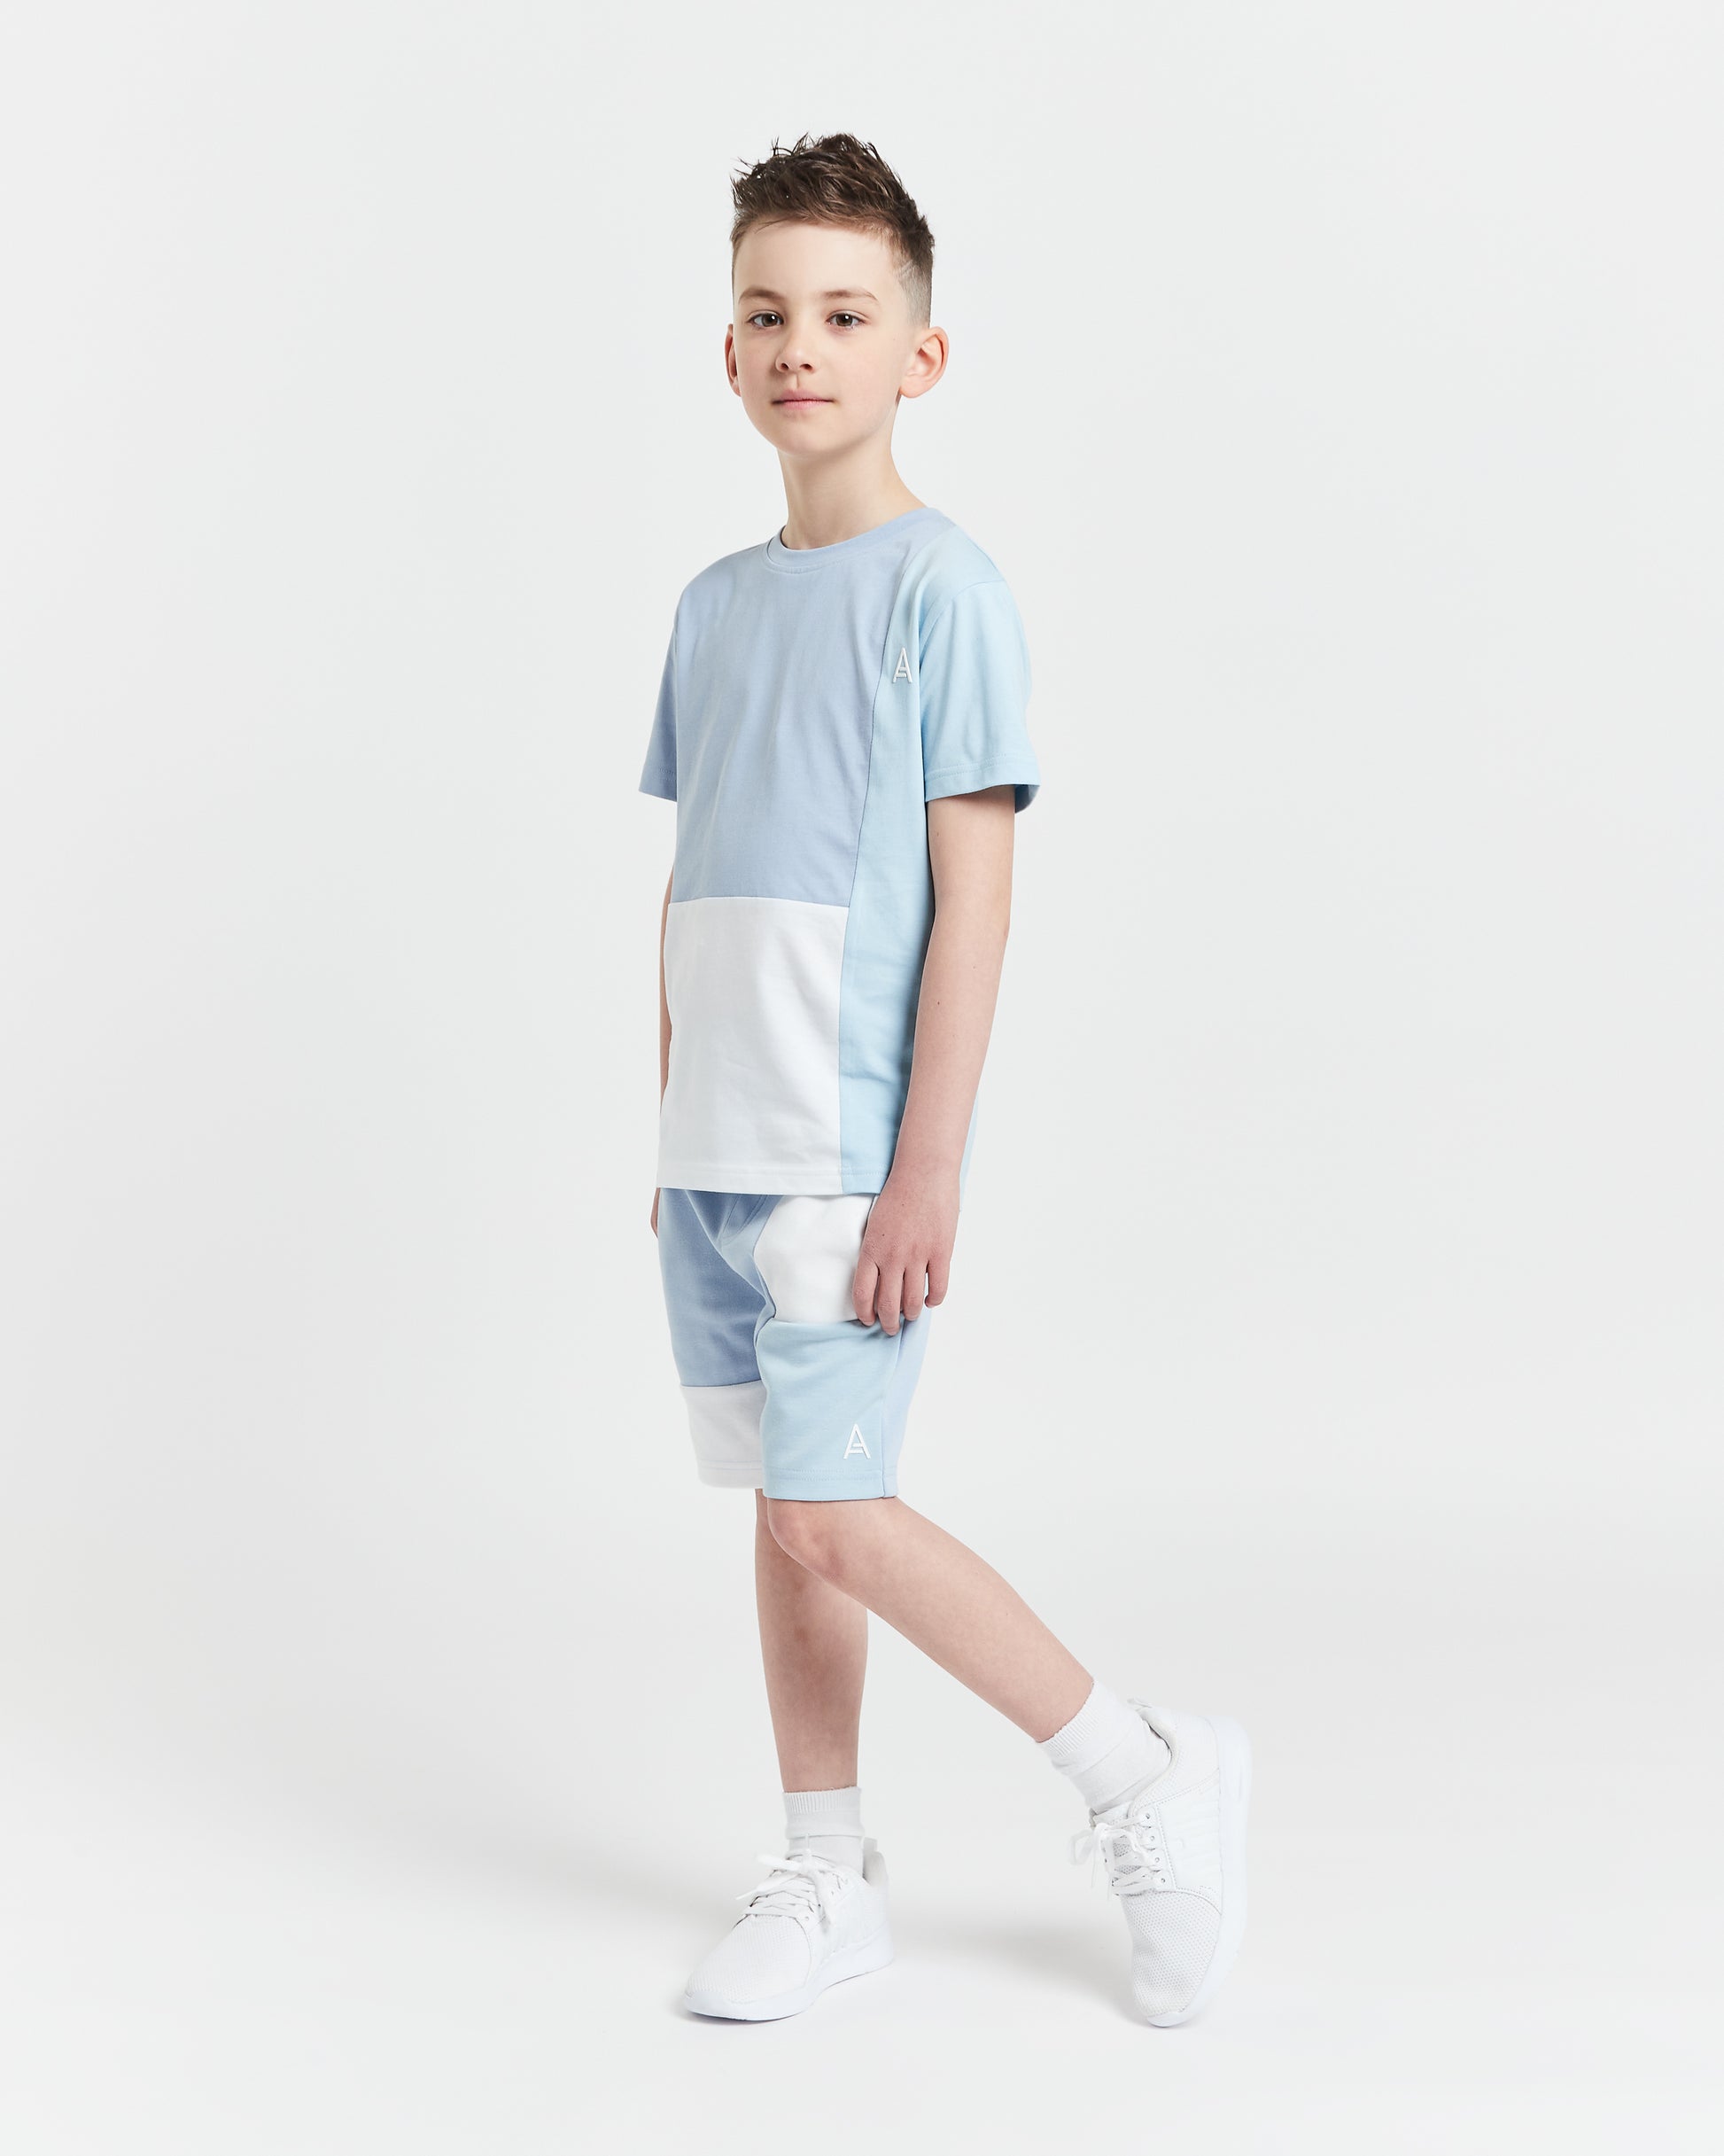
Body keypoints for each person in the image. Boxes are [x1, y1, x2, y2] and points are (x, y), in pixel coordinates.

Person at [639, 131, 1250, 2028]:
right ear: (725, 348)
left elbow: (973, 899)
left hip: (845, 1144)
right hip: (717, 1147)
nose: (798, 346)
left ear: (920, 353)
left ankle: (1141, 1770)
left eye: (844, 314)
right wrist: (669, 1126)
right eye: (766, 313)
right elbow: (690, 880)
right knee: (785, 1508)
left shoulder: (944, 589)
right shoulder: (712, 605)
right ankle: (827, 1864)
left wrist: (929, 1167)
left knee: (839, 1509)